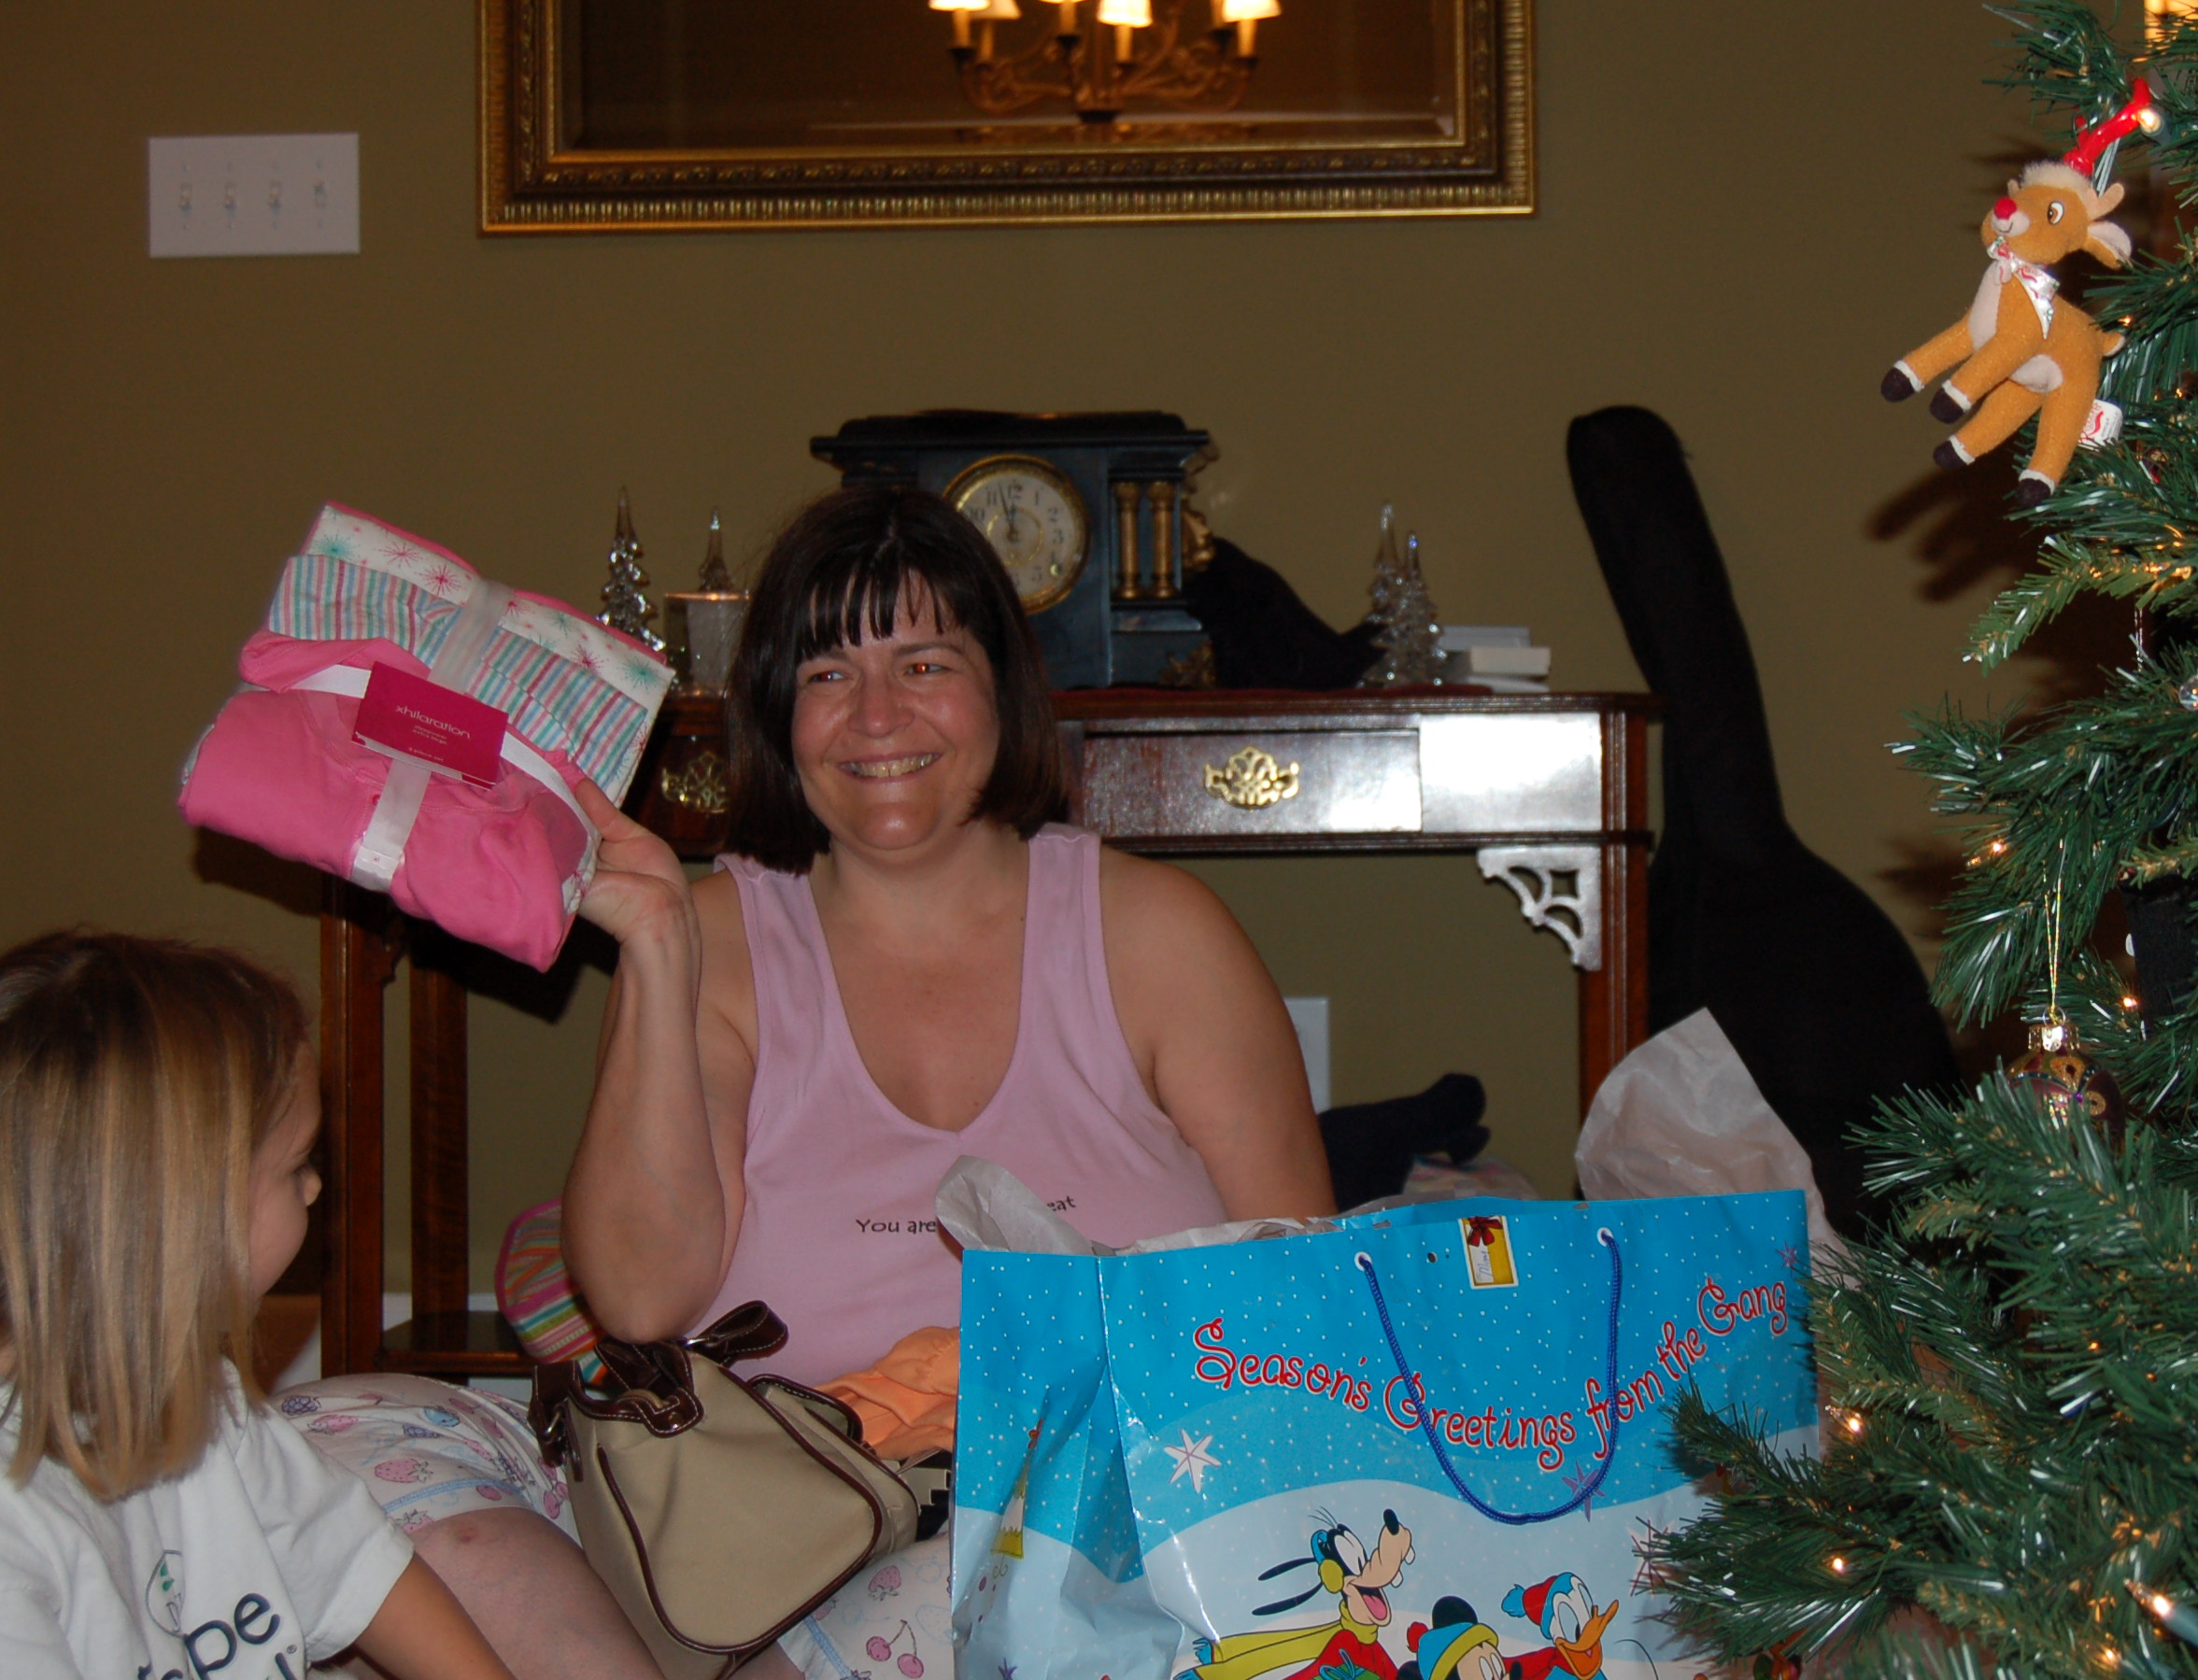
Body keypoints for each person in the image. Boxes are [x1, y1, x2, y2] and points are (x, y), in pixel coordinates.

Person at [284, 483, 1337, 1680]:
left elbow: (1308, 1320)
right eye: (828, 673)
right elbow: (637, 1297)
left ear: (1002, 689)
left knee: (996, 1561)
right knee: (319, 1439)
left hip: (1086, 1528)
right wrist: (657, 942)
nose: (876, 716)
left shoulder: (1162, 933)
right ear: (777, 713)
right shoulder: (715, 936)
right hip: (757, 1527)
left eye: (924, 662)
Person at [0, 930, 515, 1680]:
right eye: (296, 1164)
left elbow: (361, 1571)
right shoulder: (16, 1530)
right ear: (177, 1213)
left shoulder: (200, 1403)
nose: (315, 1187)